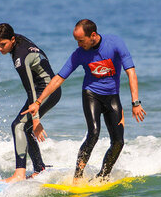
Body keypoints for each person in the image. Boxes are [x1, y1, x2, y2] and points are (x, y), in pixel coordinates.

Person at [22, 19, 146, 183]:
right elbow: (58, 78)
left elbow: (131, 72)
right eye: (76, 41)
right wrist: (38, 102)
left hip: (112, 96)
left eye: (81, 40)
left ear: (93, 35)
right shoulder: (79, 54)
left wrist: (135, 103)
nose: (79, 44)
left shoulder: (115, 43)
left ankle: (103, 176)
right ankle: (77, 177)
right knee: (93, 134)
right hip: (91, 95)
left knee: (118, 142)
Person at [0, 23, 61, 183]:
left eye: (2, 45)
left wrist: (36, 118)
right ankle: (40, 169)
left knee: (18, 125)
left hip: (46, 90)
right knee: (24, 127)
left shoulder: (20, 57)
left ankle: (19, 174)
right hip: (47, 89)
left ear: (11, 40)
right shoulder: (17, 39)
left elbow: (30, 89)